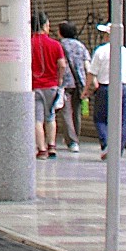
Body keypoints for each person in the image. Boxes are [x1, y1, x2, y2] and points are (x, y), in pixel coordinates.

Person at [87, 24, 126, 155]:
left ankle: (106, 144)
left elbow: (92, 73)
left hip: (105, 88)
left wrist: (86, 90)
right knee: (122, 119)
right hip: (122, 87)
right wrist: (125, 89)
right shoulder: (125, 52)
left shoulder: (100, 51)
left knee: (100, 118)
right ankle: (118, 149)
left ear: (108, 35)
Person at [31, 12, 66, 159]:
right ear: (45, 25)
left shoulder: (28, 44)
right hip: (51, 86)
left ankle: (42, 149)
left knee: (37, 119)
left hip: (34, 86)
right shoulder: (55, 44)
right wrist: (59, 79)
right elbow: (62, 65)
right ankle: (52, 146)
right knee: (50, 116)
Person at [58, 22, 90, 153]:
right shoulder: (81, 46)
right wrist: (88, 84)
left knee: (65, 112)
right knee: (76, 111)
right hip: (79, 83)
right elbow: (87, 65)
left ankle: (72, 141)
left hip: (64, 83)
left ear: (61, 32)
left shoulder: (59, 45)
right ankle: (76, 138)